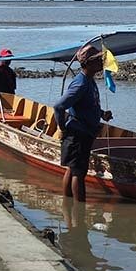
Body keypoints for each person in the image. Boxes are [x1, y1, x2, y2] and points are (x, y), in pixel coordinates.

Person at [53, 45, 113, 202]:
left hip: (83, 132)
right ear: (87, 64)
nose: (101, 63)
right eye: (97, 60)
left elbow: (87, 106)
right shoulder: (80, 84)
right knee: (78, 173)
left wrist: (101, 114)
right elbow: (59, 106)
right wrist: (62, 128)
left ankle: (68, 206)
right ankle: (79, 210)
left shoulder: (89, 81)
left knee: (73, 170)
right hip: (77, 134)